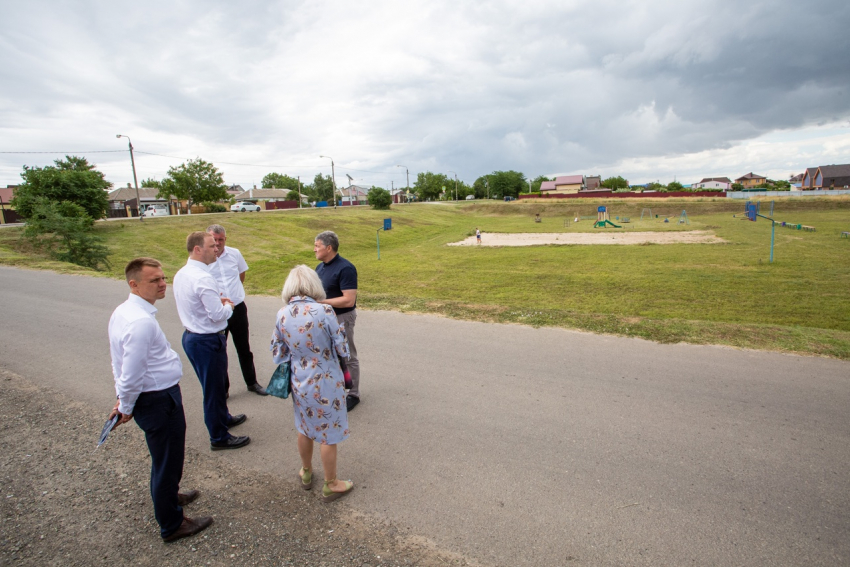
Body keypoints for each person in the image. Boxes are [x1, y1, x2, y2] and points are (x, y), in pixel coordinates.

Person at [107, 257, 213, 542]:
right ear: (134, 284)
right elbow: (130, 372)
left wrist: (122, 398)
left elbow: (119, 362)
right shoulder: (139, 322)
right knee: (167, 459)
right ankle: (172, 524)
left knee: (167, 456)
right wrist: (125, 406)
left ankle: (170, 495)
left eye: (163, 278)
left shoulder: (125, 311)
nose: (163, 284)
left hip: (155, 396)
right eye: (154, 280)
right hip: (156, 399)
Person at [271, 265, 354, 502]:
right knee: (328, 432)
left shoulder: (282, 313)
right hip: (327, 379)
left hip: (299, 379)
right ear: (313, 285)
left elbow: (277, 353)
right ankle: (331, 483)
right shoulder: (324, 311)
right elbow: (342, 349)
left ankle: (306, 472)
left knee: (304, 425)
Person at [173, 231, 250, 451]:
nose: (216, 248)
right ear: (197, 249)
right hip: (206, 339)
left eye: (217, 245)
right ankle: (219, 437)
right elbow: (218, 314)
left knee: (213, 386)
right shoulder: (203, 277)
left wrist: (218, 301)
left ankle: (223, 416)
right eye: (211, 246)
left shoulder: (183, 273)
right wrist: (228, 305)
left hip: (193, 336)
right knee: (213, 390)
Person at [206, 224, 267, 396]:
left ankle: (252, 383)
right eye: (214, 240)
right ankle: (223, 390)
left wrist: (235, 292)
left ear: (225, 239)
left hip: (238, 308)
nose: (218, 243)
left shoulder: (234, 253)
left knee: (244, 348)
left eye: (221, 239)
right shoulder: (204, 259)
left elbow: (241, 274)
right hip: (218, 311)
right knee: (220, 351)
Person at [314, 231, 361, 411]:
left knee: (347, 355)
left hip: (342, 317)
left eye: (317, 246)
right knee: (328, 355)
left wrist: (322, 302)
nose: (314, 249)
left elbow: (348, 299)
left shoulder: (345, 268)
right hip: (324, 318)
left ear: (328, 247)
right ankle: (335, 388)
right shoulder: (320, 268)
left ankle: (354, 393)